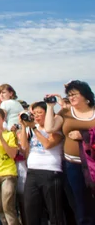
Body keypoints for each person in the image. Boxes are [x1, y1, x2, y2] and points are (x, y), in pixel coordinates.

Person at [44, 80, 95, 224]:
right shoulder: (66, 112)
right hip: (73, 165)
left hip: (93, 165)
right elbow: (50, 128)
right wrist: (50, 107)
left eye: (74, 94)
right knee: (80, 202)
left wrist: (84, 135)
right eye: (69, 95)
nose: (71, 97)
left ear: (86, 96)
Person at [17, 101, 64, 225]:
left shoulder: (55, 128)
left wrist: (33, 128)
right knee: (30, 210)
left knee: (54, 211)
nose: (36, 116)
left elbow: (48, 144)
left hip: (50, 171)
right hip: (32, 172)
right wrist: (23, 126)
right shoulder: (33, 129)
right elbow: (24, 146)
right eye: (34, 113)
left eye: (40, 113)